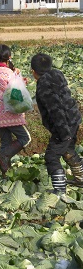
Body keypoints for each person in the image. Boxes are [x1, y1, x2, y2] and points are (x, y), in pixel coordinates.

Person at [31, 53, 82, 194]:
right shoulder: (57, 75)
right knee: (68, 150)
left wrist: (64, 134)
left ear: (33, 71)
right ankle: (81, 178)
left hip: (63, 125)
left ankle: (59, 191)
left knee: (51, 156)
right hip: (73, 119)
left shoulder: (44, 86)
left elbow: (56, 110)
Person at [0, 44, 31, 176]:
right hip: (10, 115)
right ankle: (3, 156)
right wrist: (20, 81)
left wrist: (18, 80)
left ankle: (5, 175)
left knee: (5, 143)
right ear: (9, 57)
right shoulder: (9, 73)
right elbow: (15, 95)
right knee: (25, 138)